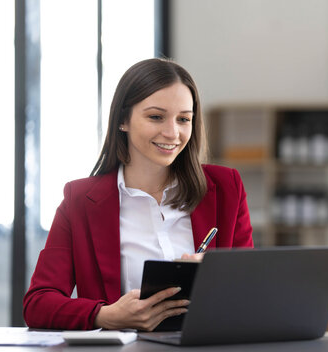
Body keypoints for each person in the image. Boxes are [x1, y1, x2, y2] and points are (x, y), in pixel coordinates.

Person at [23, 58, 254, 331]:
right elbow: (38, 304)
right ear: (123, 120)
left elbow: (253, 291)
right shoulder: (80, 200)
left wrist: (223, 274)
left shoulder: (226, 187)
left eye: (184, 119)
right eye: (156, 117)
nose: (172, 132)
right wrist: (105, 315)